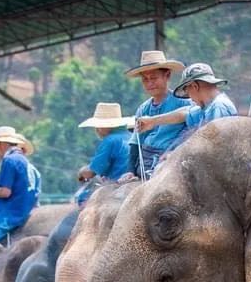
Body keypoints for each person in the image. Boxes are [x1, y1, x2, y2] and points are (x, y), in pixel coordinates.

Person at [124, 51, 193, 179]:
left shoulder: (184, 103)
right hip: (145, 163)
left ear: (167, 75)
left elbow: (190, 134)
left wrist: (173, 153)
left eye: (154, 78)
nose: (149, 83)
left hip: (170, 162)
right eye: (145, 79)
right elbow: (135, 143)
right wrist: (130, 171)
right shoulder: (143, 109)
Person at [134, 63, 237, 139]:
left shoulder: (219, 107)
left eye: (188, 93)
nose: (190, 98)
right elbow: (185, 113)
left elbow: (213, 145)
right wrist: (152, 121)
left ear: (195, 86)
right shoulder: (207, 107)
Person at [75, 102, 134, 204]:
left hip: (117, 185)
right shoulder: (132, 136)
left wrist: (81, 172)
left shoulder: (110, 140)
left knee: (83, 199)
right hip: (134, 183)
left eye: (98, 126)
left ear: (104, 126)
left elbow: (90, 172)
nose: (96, 130)